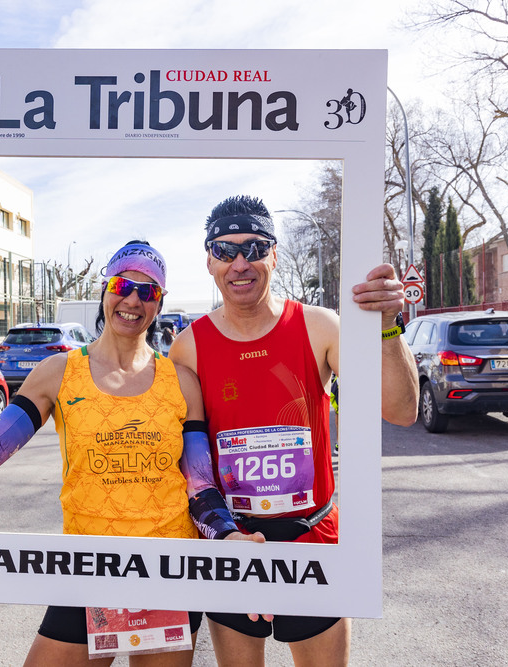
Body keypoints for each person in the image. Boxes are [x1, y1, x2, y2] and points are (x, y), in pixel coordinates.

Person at [0, 240, 264, 667]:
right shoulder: (58, 373)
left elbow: (201, 488)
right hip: (87, 568)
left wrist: (229, 536)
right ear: (105, 288)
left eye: (148, 291)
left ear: (159, 303)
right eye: (123, 284)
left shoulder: (181, 382)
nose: (133, 299)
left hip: (167, 568)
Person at [169, 196, 419, 667]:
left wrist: (387, 328)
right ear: (209, 262)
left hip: (314, 540)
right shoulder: (189, 347)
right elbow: (191, 459)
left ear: (274, 255)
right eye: (225, 251)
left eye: (255, 247)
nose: (240, 263)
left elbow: (401, 410)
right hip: (235, 547)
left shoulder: (318, 326)